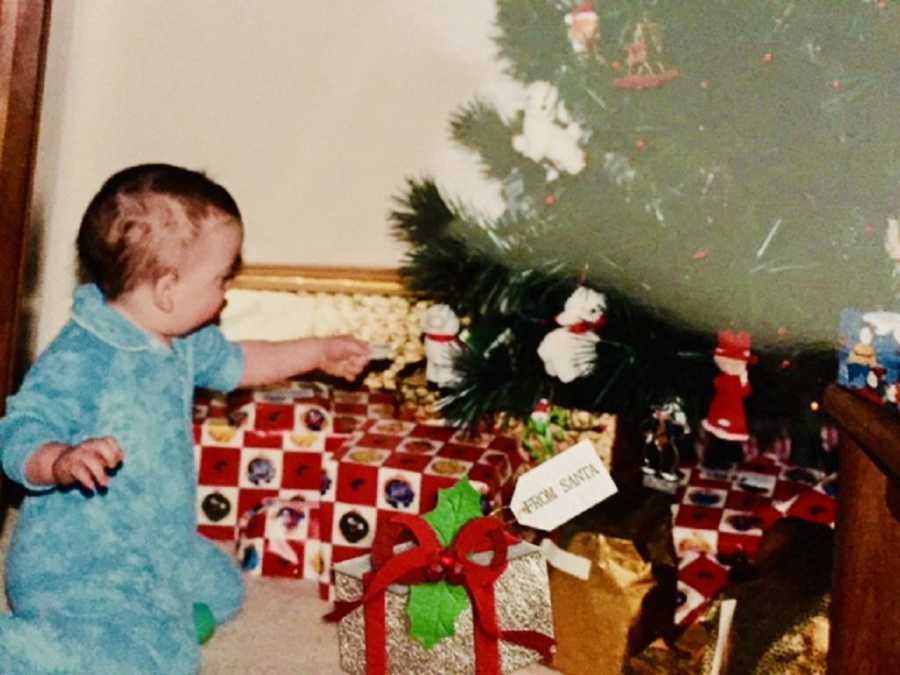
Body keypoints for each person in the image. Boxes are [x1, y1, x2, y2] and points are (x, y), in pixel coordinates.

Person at [0, 163, 371, 673]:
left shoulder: (182, 341)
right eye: (222, 278)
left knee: (223, 588)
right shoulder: (83, 358)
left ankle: (152, 612)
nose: (226, 294)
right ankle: (24, 646)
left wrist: (319, 352)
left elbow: (247, 362)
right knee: (164, 660)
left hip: (155, 537)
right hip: (81, 564)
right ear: (168, 289)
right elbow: (18, 432)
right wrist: (60, 461)